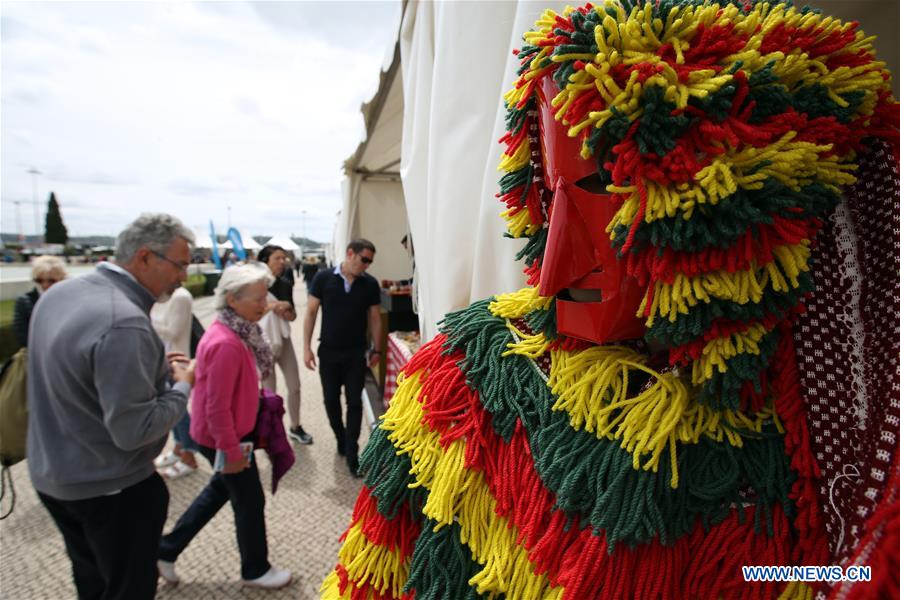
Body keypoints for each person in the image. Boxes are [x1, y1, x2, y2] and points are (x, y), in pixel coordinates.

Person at [321, 3, 900, 600]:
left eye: (606, 189)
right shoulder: (470, 378)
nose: (550, 274)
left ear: (735, 218)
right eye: (549, 192)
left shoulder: (819, 427)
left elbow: (826, 574)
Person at [27, 213, 195, 600]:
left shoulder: (60, 294)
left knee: (91, 581)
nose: (184, 276)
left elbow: (76, 378)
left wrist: (153, 373)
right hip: (111, 489)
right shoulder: (124, 322)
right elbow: (134, 430)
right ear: (145, 257)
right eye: (180, 264)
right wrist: (182, 387)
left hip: (55, 478)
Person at [158, 263, 292, 590]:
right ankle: (255, 569)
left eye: (265, 297)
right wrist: (231, 450)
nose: (264, 305)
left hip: (227, 432)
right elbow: (216, 407)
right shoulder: (226, 343)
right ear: (232, 300)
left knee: (220, 490)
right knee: (249, 500)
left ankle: (165, 549)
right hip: (224, 435)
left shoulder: (236, 331)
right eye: (257, 298)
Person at [303, 239, 382, 477]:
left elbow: (375, 318)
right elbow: (310, 312)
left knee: (355, 403)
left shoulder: (370, 285)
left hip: (356, 353)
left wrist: (377, 349)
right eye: (364, 259)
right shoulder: (323, 278)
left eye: (370, 261)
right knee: (330, 401)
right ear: (350, 253)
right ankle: (340, 436)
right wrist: (306, 347)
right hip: (328, 351)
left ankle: (352, 452)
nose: (367, 265)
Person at [257, 244, 312, 445]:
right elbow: (249, 313)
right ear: (265, 261)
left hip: (284, 339)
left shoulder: (285, 283)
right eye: (277, 258)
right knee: (269, 392)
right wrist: (273, 306)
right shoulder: (255, 283)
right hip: (262, 343)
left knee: (294, 386)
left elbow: (293, 316)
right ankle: (272, 431)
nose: (282, 262)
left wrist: (287, 311)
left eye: (283, 258)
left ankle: (295, 427)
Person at [151, 285, 200, 479]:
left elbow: (173, 332)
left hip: (176, 360)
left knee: (177, 409)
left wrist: (142, 320)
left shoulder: (180, 297)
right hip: (161, 359)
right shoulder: (160, 294)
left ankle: (189, 455)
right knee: (171, 408)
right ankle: (179, 447)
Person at [12, 255, 67, 347]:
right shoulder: (24, 301)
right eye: (39, 280)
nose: (44, 285)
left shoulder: (70, 300)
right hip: (37, 354)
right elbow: (22, 335)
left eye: (51, 281)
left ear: (62, 279)